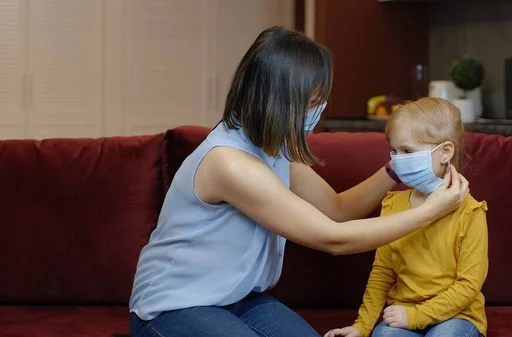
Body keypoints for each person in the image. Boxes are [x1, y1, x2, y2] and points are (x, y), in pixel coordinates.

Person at [128, 27, 469, 337]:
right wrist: (433, 211)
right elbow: (332, 238)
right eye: (313, 102)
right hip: (172, 305)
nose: (320, 109)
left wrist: (398, 167)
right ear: (280, 100)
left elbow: (337, 210)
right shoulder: (229, 164)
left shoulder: (274, 148)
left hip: (237, 298)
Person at [324, 97, 488, 337]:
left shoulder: (471, 212)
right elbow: (382, 273)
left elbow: (469, 285)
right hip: (403, 313)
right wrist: (362, 326)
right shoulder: (393, 204)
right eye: (394, 151)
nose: (397, 160)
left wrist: (416, 316)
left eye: (407, 151)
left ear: (445, 152)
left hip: (457, 316)